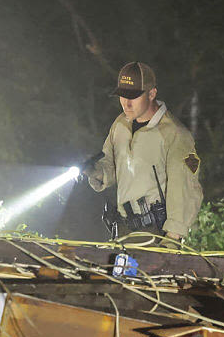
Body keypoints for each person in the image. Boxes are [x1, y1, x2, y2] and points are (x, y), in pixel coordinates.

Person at [85, 61, 203, 242]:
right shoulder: (120, 124)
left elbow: (186, 188)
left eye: (133, 96)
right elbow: (111, 163)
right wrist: (96, 171)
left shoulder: (174, 134)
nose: (126, 103)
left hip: (157, 233)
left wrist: (172, 239)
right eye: (122, 96)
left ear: (152, 93)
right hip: (123, 230)